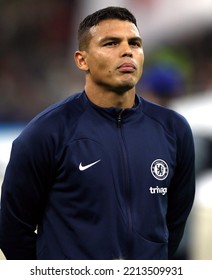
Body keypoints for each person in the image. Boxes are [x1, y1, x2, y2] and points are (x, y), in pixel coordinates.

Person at [0, 6, 195, 260]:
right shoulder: (46, 132)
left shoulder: (174, 129)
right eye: (111, 43)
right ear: (82, 60)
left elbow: (175, 223)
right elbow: (12, 229)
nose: (127, 51)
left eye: (135, 43)